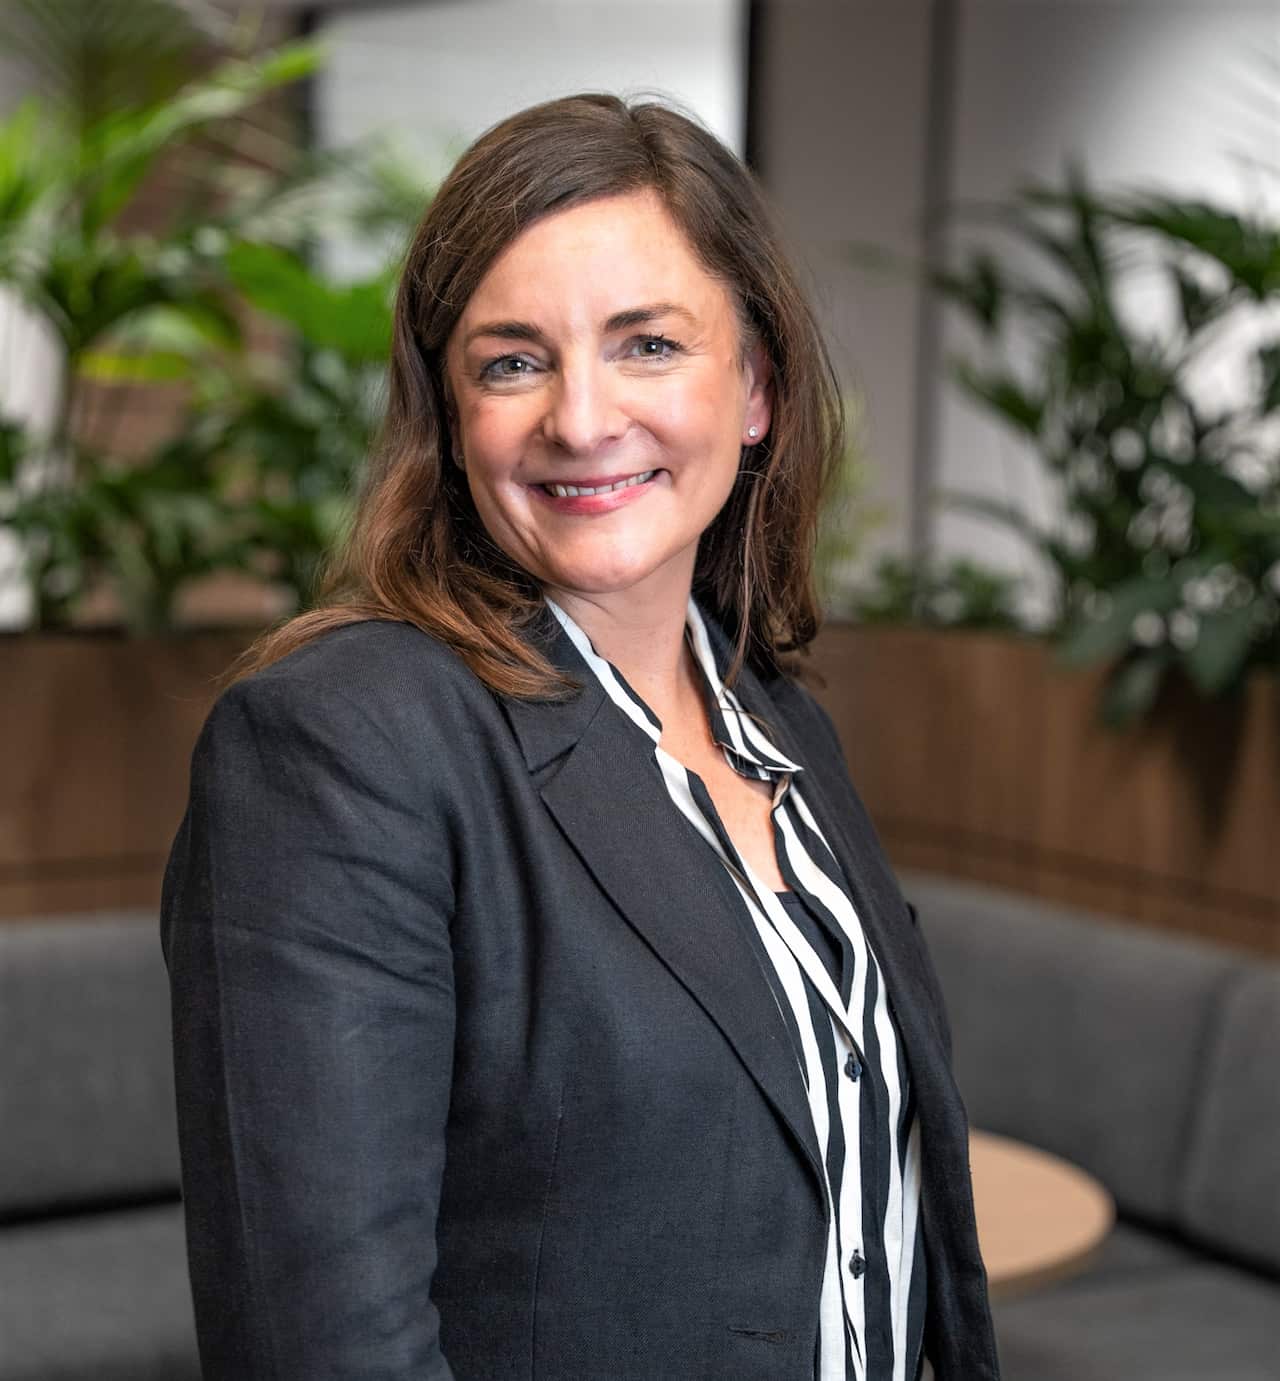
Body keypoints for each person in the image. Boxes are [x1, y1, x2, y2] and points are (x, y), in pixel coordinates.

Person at [161, 93, 999, 1381]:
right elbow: (321, 1346)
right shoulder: (340, 746)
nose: (583, 419)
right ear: (451, 417)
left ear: (757, 387)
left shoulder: (780, 724)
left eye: (647, 344)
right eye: (512, 362)